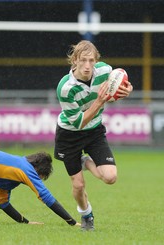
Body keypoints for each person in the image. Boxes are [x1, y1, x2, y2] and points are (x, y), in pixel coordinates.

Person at [54, 40, 133, 231]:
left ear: (96, 60)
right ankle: (86, 214)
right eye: (83, 60)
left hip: (94, 131)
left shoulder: (105, 71)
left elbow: (122, 85)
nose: (88, 66)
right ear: (75, 61)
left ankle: (84, 161)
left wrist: (127, 90)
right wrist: (98, 102)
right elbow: (78, 122)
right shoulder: (65, 88)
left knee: (110, 177)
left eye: (91, 60)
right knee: (79, 185)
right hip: (70, 134)